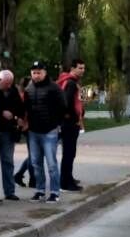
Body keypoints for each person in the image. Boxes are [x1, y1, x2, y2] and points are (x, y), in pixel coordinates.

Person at [24, 61, 64, 202]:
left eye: (39, 72)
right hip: (33, 131)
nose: (36, 75)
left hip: (49, 130)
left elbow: (62, 106)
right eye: (34, 73)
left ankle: (54, 192)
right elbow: (26, 108)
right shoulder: (29, 88)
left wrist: (58, 124)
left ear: (45, 73)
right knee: (36, 163)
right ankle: (40, 190)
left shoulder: (54, 88)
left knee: (51, 163)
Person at [56, 59, 86, 192]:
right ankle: (65, 183)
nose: (82, 70)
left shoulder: (70, 81)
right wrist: (74, 117)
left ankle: (68, 178)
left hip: (68, 122)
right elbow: (67, 102)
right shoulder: (71, 83)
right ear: (72, 68)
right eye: (80, 68)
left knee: (69, 153)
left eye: (83, 68)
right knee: (69, 153)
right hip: (70, 123)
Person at [0, 69, 25, 201]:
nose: (8, 86)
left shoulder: (13, 91)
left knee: (8, 161)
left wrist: (16, 117)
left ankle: (9, 191)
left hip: (8, 130)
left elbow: (20, 108)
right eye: (6, 83)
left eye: (10, 83)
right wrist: (1, 112)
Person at [13, 75, 33, 186]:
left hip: (28, 126)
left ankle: (20, 175)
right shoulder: (24, 96)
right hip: (28, 127)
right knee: (33, 154)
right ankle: (31, 179)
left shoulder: (24, 94)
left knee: (33, 154)